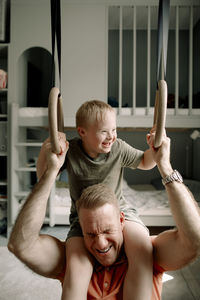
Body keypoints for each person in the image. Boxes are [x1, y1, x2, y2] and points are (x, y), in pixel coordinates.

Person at [8, 131, 200, 299]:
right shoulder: (72, 258)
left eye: (108, 230)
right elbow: (20, 244)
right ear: (80, 229)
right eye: (90, 234)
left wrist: (165, 168)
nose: (100, 244)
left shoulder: (147, 252)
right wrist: (50, 173)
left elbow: (195, 238)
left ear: (122, 220)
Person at [36, 100, 156, 300]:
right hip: (82, 221)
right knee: (75, 269)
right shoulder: (71, 151)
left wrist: (155, 150)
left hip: (120, 212)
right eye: (104, 131)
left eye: (114, 129)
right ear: (82, 132)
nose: (111, 136)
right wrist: (45, 151)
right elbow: (44, 176)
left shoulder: (118, 148)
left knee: (143, 249)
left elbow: (145, 162)